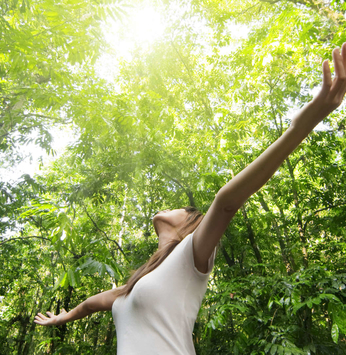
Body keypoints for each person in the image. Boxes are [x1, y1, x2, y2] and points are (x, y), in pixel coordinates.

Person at [34, 44, 346, 354]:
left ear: (189, 226)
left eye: (178, 208)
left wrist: (301, 125)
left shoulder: (191, 253)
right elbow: (92, 303)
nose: (167, 208)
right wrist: (64, 317)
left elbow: (225, 201)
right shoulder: (134, 284)